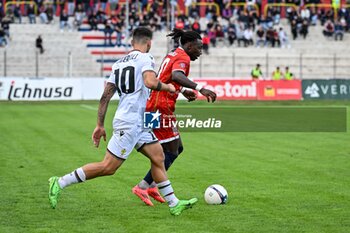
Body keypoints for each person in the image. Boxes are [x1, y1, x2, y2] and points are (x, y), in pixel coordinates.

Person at [48, 27, 198, 216]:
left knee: (158, 157)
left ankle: (173, 203)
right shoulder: (146, 58)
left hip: (138, 121)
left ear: (131, 42)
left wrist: (100, 124)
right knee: (108, 167)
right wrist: (168, 87)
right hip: (130, 122)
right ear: (149, 43)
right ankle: (59, 182)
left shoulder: (118, 64)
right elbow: (151, 82)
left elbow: (105, 96)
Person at [132, 28, 217, 206]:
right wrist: (199, 88)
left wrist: (184, 90)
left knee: (175, 149)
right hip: (159, 107)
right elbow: (176, 75)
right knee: (171, 150)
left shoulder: (174, 54)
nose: (200, 52)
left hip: (155, 105)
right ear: (189, 44)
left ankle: (151, 184)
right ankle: (144, 186)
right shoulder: (183, 57)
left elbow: (167, 77)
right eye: (199, 48)